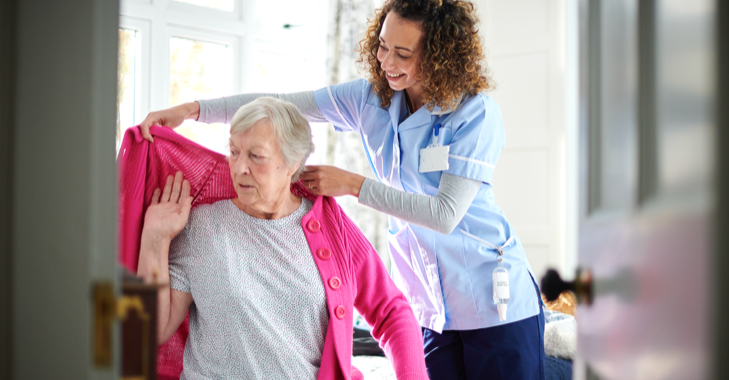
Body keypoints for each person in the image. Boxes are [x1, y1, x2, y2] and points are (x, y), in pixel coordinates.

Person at [139, 0, 545, 378]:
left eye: (403, 54)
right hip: (433, 306)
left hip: (494, 299)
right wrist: (193, 110)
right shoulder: (371, 99)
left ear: (439, 57)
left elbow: (444, 215)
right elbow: (281, 103)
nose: (386, 62)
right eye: (383, 47)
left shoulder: (474, 113)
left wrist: (352, 185)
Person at [135, 98, 428, 380]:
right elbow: (149, 331)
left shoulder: (330, 226)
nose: (239, 168)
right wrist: (155, 239)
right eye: (234, 151)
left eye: (256, 156)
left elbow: (391, 311)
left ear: (293, 162)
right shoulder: (200, 226)